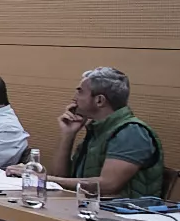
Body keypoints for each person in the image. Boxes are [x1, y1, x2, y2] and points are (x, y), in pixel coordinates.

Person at [43, 66, 164, 198]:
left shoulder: (130, 132)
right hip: (87, 207)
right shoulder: (98, 130)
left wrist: (45, 179)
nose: (74, 98)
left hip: (124, 214)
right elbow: (62, 179)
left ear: (99, 100)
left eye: (80, 92)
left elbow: (108, 185)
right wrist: (68, 135)